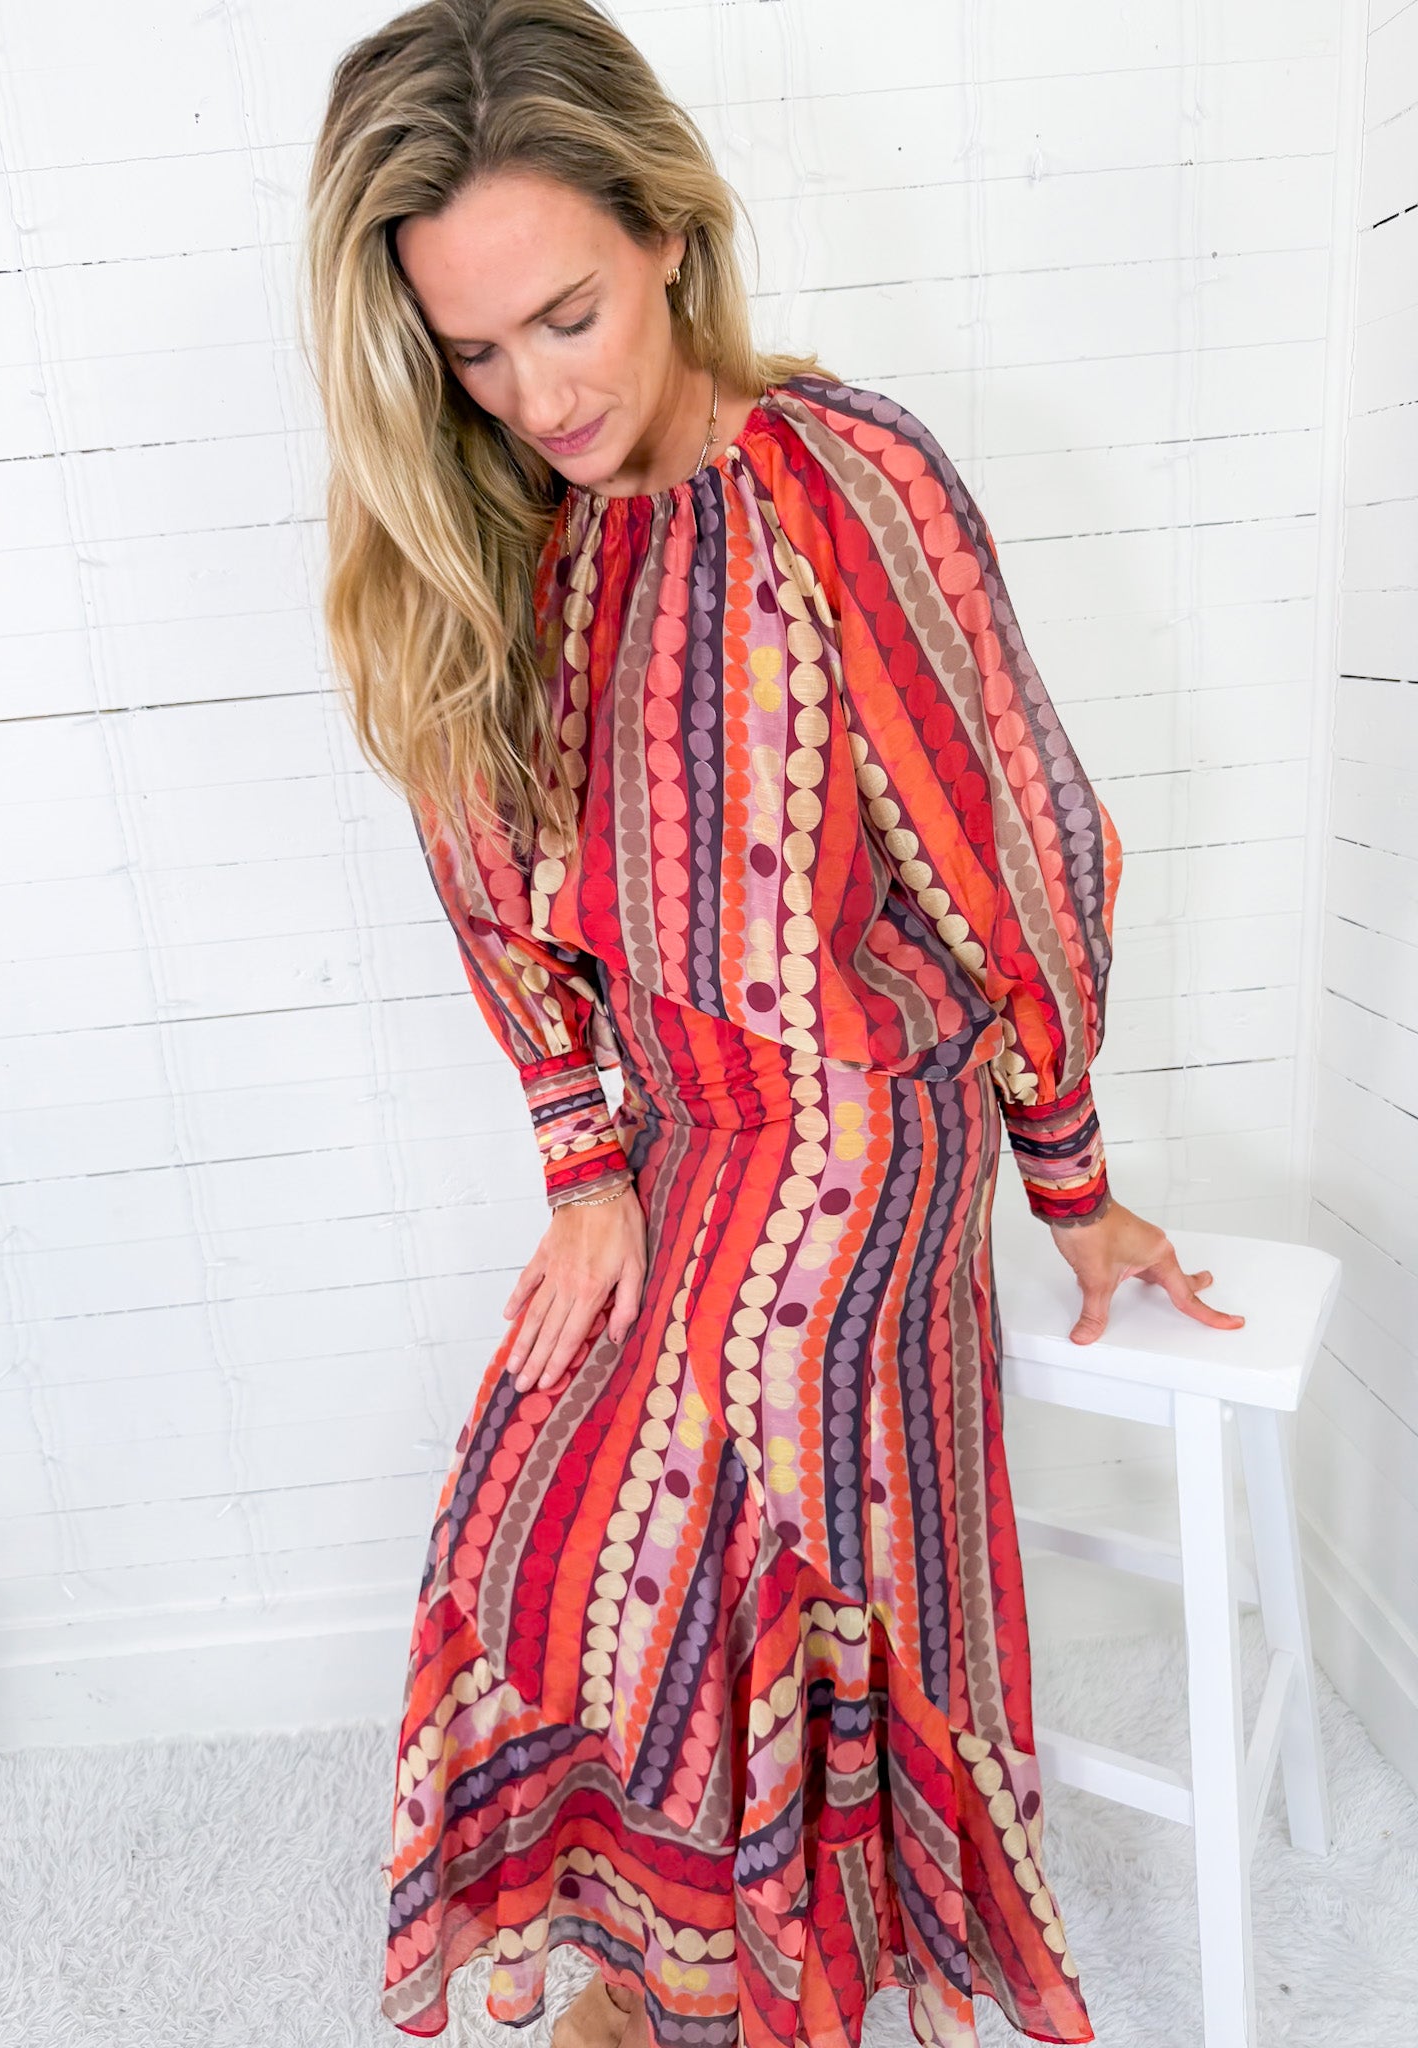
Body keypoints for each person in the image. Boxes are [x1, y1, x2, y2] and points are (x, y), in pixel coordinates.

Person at [305, 4, 1245, 2045]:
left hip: (868, 1115)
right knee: (524, 1491)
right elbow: (489, 893)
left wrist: (1072, 1187)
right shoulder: (491, 542)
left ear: (666, 230)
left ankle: (743, 1980)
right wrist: (581, 1166)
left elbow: (1017, 851)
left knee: (716, 1464)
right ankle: (652, 1964)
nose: (532, 390)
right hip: (680, 1137)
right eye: (471, 348)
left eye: (563, 314)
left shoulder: (840, 481)